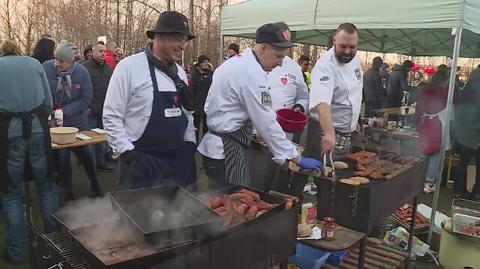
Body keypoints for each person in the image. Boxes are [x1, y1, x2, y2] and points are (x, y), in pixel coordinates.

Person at [198, 23, 322, 186]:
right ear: (263, 48)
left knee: (224, 200)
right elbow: (266, 122)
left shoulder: (236, 63)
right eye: (278, 56)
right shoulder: (251, 73)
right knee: (232, 203)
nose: (279, 63)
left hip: (217, 147)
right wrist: (296, 157)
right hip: (226, 152)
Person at [103, 11, 197, 190]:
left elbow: (187, 113)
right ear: (158, 36)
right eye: (178, 39)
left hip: (176, 161)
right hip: (140, 162)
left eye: (185, 40)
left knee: (178, 214)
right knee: (135, 214)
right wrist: (126, 152)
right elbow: (111, 115)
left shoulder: (179, 72)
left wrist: (190, 143)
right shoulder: (129, 67)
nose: (183, 46)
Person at [0, 40, 58, 265]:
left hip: (9, 132)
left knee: (12, 192)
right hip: (37, 129)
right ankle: (55, 243)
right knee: (46, 187)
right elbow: (48, 103)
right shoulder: (34, 63)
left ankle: (16, 252)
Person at [43, 40, 103, 200]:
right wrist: (51, 110)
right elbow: (42, 90)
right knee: (62, 159)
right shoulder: (46, 68)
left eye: (60, 61)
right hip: (57, 126)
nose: (56, 63)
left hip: (78, 123)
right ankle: (69, 192)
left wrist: (66, 110)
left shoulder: (82, 72)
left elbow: (86, 98)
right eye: (55, 59)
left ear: (70, 62)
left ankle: (94, 183)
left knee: (86, 156)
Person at [305, 23, 363, 160]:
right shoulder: (325, 66)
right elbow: (321, 102)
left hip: (346, 132)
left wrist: (355, 122)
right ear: (334, 41)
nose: (348, 51)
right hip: (325, 132)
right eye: (343, 46)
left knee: (343, 174)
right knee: (323, 175)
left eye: (352, 47)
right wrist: (329, 133)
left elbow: (355, 92)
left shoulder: (356, 59)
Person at [415, 67, 456, 193]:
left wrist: (417, 124)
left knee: (423, 154)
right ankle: (430, 182)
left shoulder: (425, 90)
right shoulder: (447, 93)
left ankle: (419, 180)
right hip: (439, 125)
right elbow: (454, 107)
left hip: (425, 123)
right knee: (435, 155)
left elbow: (418, 109)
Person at [268, 22, 309, 141]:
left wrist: (299, 107)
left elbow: (304, 97)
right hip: (256, 133)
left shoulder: (294, 67)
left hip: (284, 133)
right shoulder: (255, 65)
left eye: (285, 46)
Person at [82, 43, 113, 173]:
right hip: (90, 109)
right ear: (93, 52)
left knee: (102, 138)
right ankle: (91, 166)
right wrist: (86, 106)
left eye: (104, 51)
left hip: (104, 109)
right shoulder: (84, 68)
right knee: (91, 139)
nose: (103, 54)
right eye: (100, 51)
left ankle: (101, 162)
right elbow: (81, 88)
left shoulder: (108, 68)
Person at [453, 67, 480, 201]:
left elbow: (459, 110)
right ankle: (477, 192)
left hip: (465, 132)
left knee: (463, 162)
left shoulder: (466, 90)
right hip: (476, 131)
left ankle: (459, 190)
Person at [190, 54, 214, 141]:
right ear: (200, 63)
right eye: (204, 62)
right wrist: (191, 104)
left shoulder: (210, 73)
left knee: (206, 127)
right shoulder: (195, 74)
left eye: (207, 62)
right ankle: (194, 144)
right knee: (195, 126)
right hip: (197, 104)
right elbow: (191, 90)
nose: (206, 64)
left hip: (207, 104)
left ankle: (205, 145)